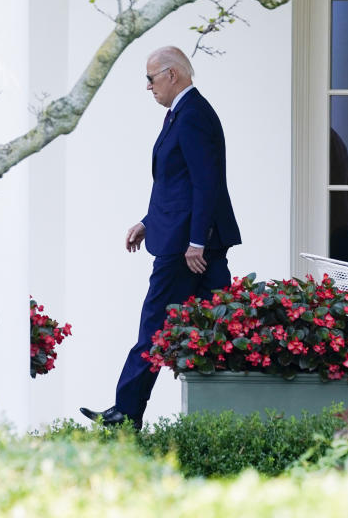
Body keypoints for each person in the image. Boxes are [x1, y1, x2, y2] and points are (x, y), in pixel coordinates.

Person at [80, 46, 241, 429]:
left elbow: (206, 184)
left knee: (156, 323)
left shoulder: (192, 116)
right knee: (216, 325)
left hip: (186, 248)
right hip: (186, 238)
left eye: (150, 78)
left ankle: (126, 412)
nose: (148, 87)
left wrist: (197, 242)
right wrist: (148, 221)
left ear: (172, 75)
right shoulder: (184, 113)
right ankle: (217, 419)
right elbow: (178, 184)